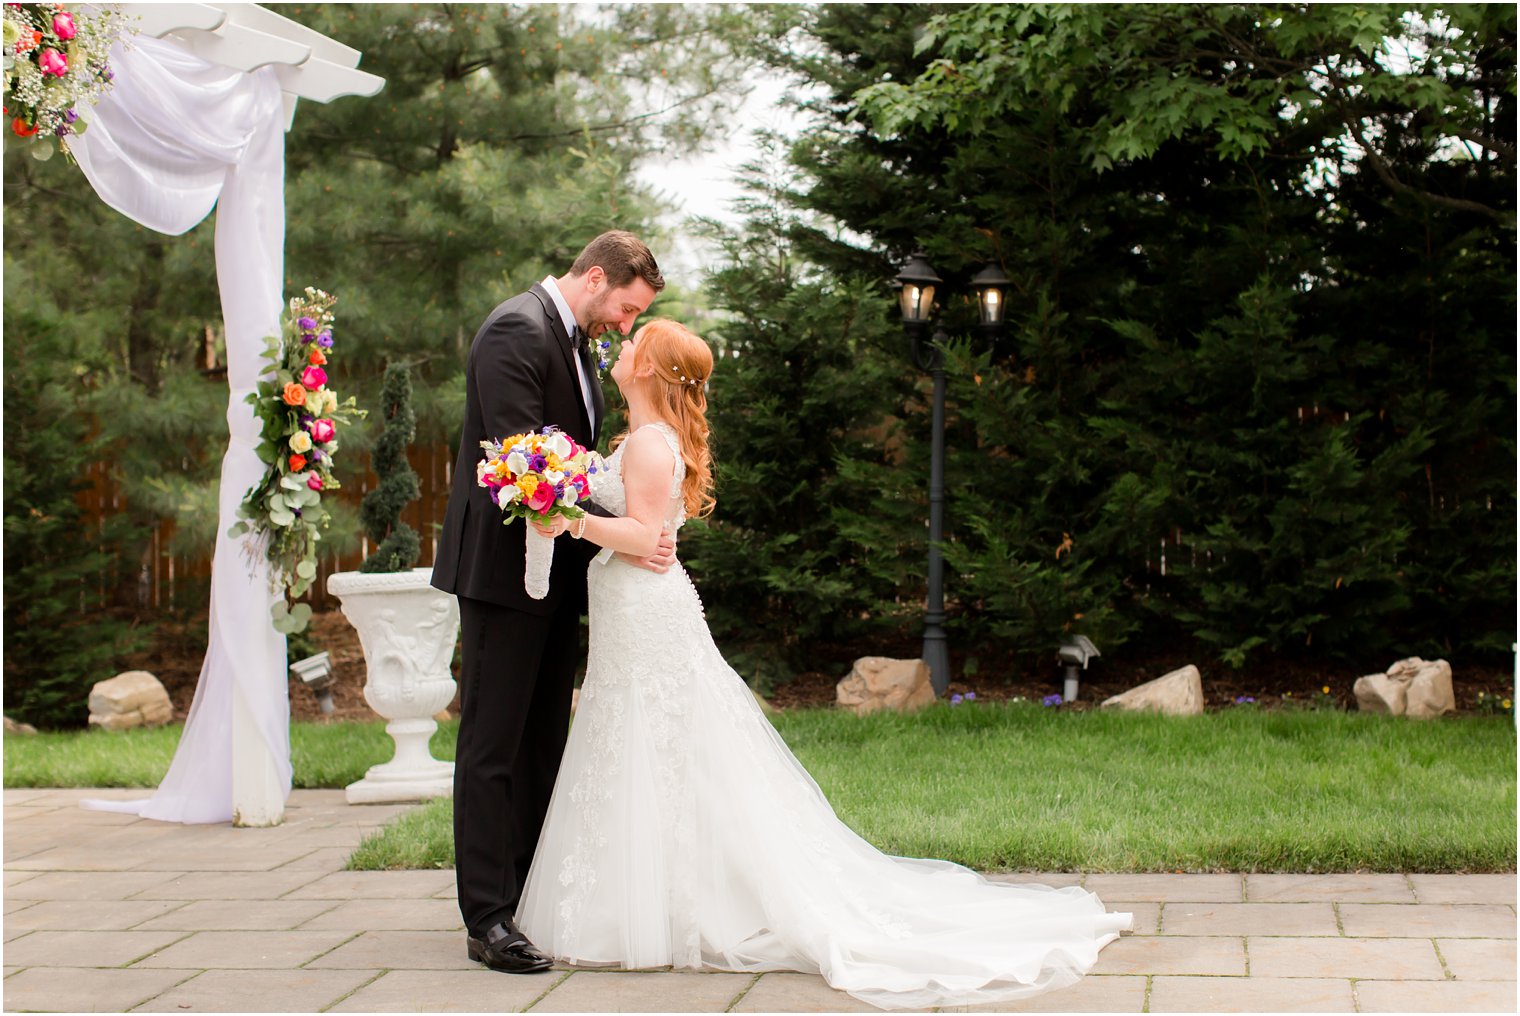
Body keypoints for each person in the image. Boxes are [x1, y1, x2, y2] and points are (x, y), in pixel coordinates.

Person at [521, 318, 1132, 1010]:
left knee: (665, 745)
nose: (621, 349)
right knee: (642, 747)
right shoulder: (638, 442)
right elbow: (642, 530)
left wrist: (565, 518)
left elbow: (641, 536)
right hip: (636, 614)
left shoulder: (650, 449)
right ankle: (638, 900)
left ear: (652, 372)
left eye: (635, 345)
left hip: (646, 615)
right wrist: (562, 490)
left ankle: (665, 906)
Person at [431, 231, 675, 974]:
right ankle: (488, 918)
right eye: (626, 308)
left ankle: (530, 892)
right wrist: (618, 527)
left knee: (543, 740)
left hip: (558, 573)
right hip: (506, 575)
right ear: (596, 276)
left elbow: (568, 456)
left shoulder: (575, 341)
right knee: (492, 742)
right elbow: (519, 459)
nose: (626, 326)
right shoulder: (517, 328)